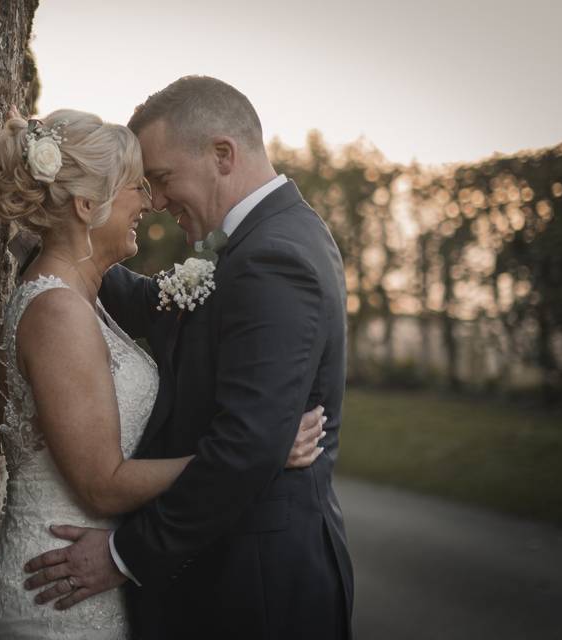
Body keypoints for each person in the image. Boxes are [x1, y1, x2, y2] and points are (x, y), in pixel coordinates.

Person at [23, 77, 355, 639]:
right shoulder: (262, 241)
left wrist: (125, 555)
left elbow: (247, 447)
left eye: (161, 178)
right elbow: (160, 307)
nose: (154, 200)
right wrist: (58, 227)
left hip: (258, 593)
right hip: (230, 581)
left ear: (222, 154)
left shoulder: (276, 256)